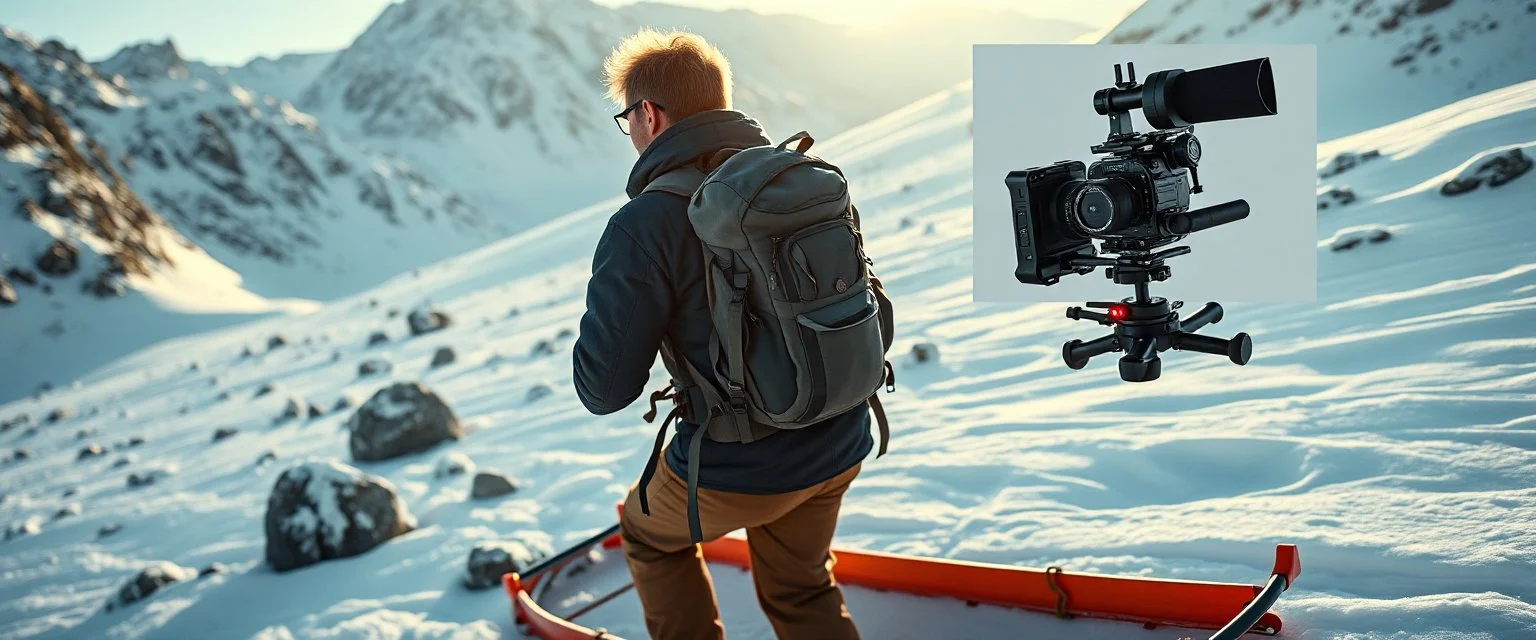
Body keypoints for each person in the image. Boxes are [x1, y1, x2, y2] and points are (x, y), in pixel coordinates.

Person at [573, 29, 871, 640]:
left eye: (626, 118)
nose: (629, 133)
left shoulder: (644, 223)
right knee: (801, 585)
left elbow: (604, 390)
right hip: (841, 432)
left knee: (648, 536)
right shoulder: (793, 179)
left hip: (737, 468)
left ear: (649, 114)